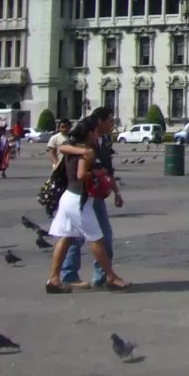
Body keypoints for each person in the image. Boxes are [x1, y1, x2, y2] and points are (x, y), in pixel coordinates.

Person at [44, 116, 130, 294]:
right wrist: (99, 174)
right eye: (95, 132)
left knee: (66, 238)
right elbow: (82, 175)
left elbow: (63, 150)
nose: (97, 135)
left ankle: (54, 279)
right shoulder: (86, 152)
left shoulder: (74, 149)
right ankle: (111, 277)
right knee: (97, 239)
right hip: (79, 200)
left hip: (68, 197)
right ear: (89, 133)